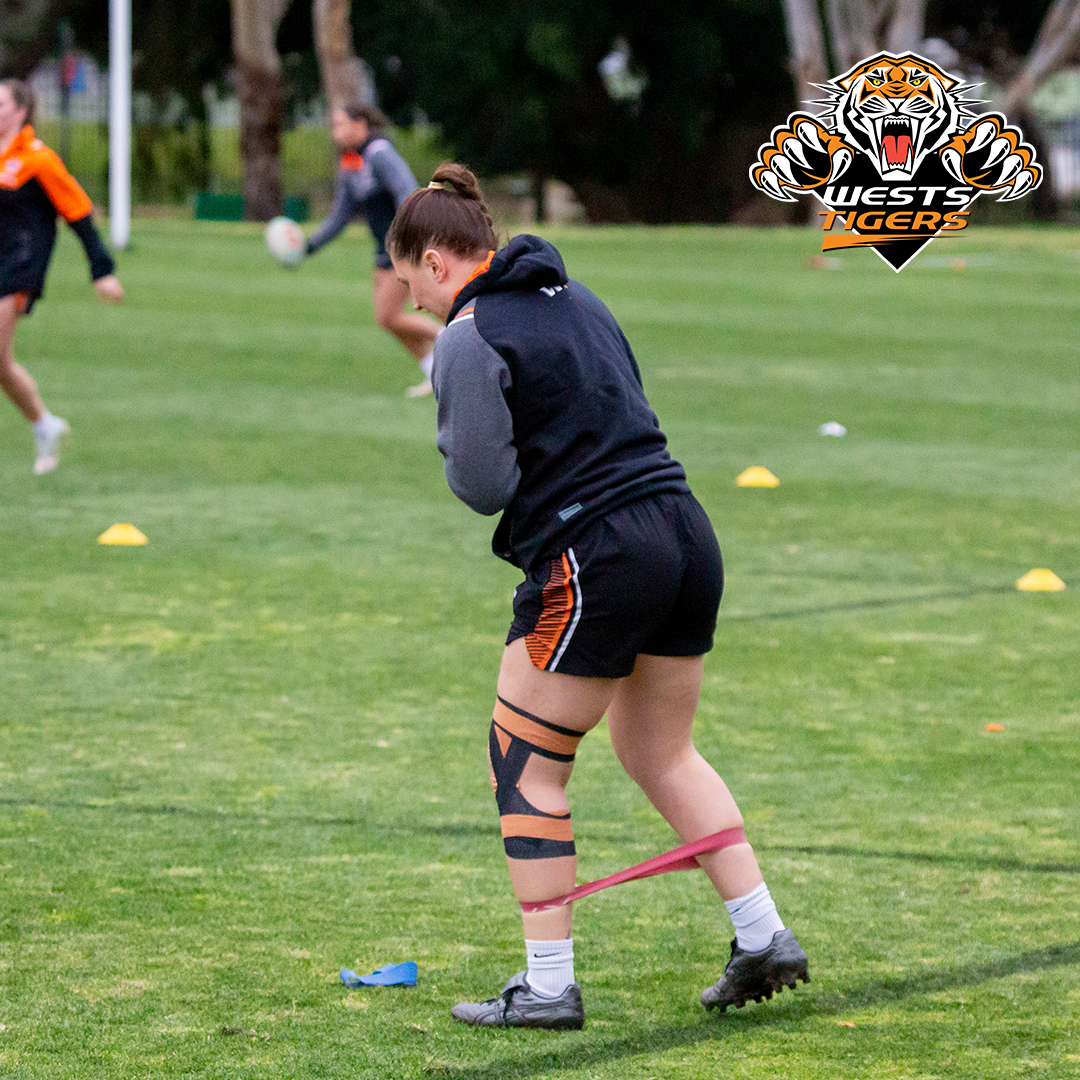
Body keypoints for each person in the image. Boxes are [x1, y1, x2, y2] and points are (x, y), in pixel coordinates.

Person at [386, 163, 809, 1029]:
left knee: (524, 765)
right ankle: (762, 933)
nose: (415, 304)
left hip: (600, 552)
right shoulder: (578, 298)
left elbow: (481, 484)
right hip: (684, 532)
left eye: (409, 285)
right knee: (660, 750)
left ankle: (547, 986)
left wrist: (455, 422)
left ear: (434, 261)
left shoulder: (467, 333)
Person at [0, 78, 123, 474]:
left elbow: (78, 212)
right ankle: (45, 425)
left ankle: (44, 425)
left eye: (1, 104)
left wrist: (102, 270)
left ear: (21, 111)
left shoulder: (38, 159)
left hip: (21, 266)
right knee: (1, 364)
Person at [303, 102, 439, 397]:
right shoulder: (351, 162)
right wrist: (308, 246)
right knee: (386, 320)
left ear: (360, 124)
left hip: (402, 247)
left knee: (388, 316)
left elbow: (407, 192)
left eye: (340, 125)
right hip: (383, 249)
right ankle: (434, 371)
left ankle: (448, 339)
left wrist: (406, 239)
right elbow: (340, 216)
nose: (335, 133)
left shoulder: (379, 153)